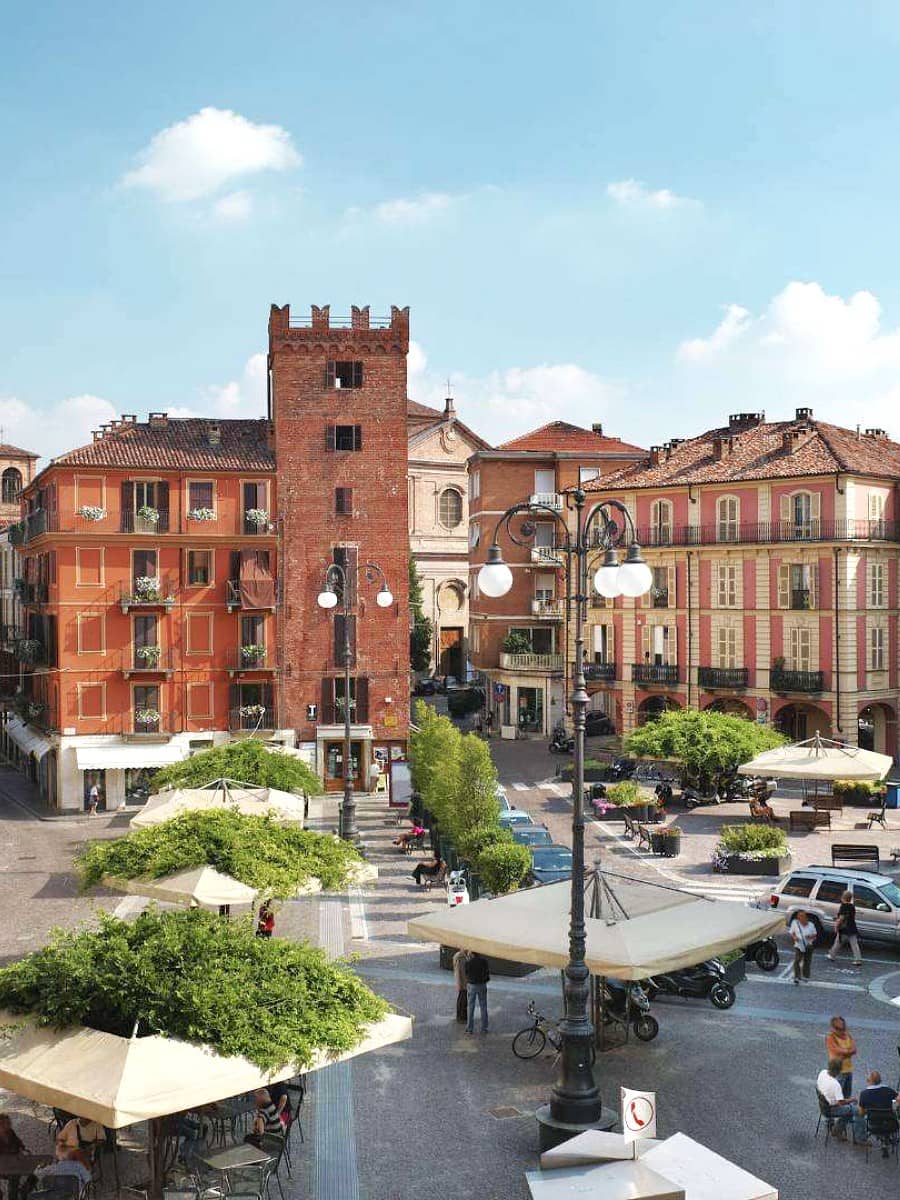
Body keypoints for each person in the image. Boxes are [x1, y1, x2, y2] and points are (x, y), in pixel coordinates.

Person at [855, 1070, 899, 1151]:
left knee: (857, 1114)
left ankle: (860, 1138)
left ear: (868, 1081)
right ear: (880, 1080)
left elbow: (861, 1113)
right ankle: (887, 1140)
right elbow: (898, 1099)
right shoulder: (888, 1090)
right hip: (890, 1124)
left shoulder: (864, 1094)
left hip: (873, 1125)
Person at [816, 1059, 857, 1140]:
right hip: (830, 1109)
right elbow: (841, 1102)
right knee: (853, 1110)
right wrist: (852, 1100)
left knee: (850, 1106)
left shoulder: (822, 1072)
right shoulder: (835, 1085)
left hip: (822, 1105)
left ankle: (834, 1126)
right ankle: (837, 1130)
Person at [824, 1016, 857, 1098]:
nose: (842, 1031)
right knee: (837, 1096)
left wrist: (845, 1052)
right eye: (839, 1029)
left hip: (848, 1069)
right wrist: (848, 1052)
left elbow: (854, 1050)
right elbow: (837, 1051)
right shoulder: (830, 1037)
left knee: (847, 1096)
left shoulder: (848, 1036)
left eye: (843, 1028)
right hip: (837, 1070)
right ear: (834, 1028)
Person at [827, 890, 862, 966]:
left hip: (844, 928)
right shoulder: (852, 906)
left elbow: (842, 918)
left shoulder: (843, 906)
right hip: (852, 927)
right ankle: (858, 959)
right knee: (854, 944)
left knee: (838, 942)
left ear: (843, 897)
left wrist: (836, 925)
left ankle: (832, 955)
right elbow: (849, 916)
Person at [0, 1114, 27, 1200]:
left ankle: (19, 1194)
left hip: (13, 1162)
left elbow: (19, 1143)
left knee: (32, 1175)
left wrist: (22, 1149)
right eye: (6, 1123)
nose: (9, 1125)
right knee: (14, 1176)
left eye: (9, 1123)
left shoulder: (10, 1132)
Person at [464, 950, 490, 1035]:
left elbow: (466, 973)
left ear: (472, 953)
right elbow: (487, 972)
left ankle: (469, 1028)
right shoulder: (484, 961)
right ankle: (484, 1028)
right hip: (482, 985)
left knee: (470, 1007)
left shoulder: (468, 962)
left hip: (472, 985)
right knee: (483, 1006)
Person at [789, 910, 818, 985]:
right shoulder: (795, 923)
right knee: (797, 960)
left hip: (808, 945)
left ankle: (806, 976)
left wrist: (810, 936)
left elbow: (815, 934)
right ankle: (797, 977)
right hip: (799, 945)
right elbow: (792, 932)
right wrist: (795, 937)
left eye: (804, 916)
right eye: (800, 916)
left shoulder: (811, 925)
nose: (802, 918)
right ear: (798, 918)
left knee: (807, 961)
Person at [452, 948, 468, 1023]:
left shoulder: (461, 956)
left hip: (463, 982)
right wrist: (459, 984)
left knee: (461, 999)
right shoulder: (460, 958)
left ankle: (460, 1016)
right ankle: (462, 1017)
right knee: (463, 1000)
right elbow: (458, 972)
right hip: (463, 983)